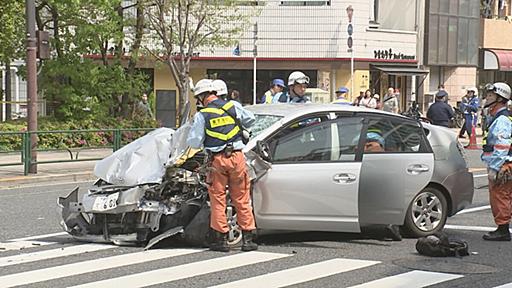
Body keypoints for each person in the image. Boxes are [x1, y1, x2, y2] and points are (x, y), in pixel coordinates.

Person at [187, 79, 258, 252]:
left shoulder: (202, 115)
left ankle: (221, 240)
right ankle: (248, 239)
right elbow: (251, 120)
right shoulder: (232, 106)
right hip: (237, 157)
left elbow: (194, 142)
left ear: (201, 97)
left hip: (217, 161)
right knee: (241, 198)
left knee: (218, 199)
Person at [480, 82, 512, 241]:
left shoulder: (501, 120)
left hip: (503, 164)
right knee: (505, 196)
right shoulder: (498, 117)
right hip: (504, 163)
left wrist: (495, 167)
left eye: (490, 95)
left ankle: (503, 229)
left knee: (500, 196)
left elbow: (501, 145)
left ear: (500, 98)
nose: (487, 98)